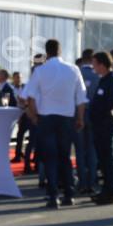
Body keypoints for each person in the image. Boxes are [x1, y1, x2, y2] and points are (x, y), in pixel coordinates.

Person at [21, 39, 87, 209]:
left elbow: (29, 97)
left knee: (49, 158)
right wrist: (80, 118)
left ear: (47, 52)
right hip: (66, 118)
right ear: (60, 50)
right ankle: (69, 194)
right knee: (65, 157)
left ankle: (52, 196)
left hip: (47, 118)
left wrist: (34, 117)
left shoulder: (40, 71)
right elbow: (81, 98)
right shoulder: (73, 69)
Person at [88, 51, 113, 205]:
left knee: (109, 160)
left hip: (106, 125)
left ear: (102, 64)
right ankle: (105, 191)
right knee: (103, 160)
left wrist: (97, 113)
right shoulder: (103, 80)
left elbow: (111, 102)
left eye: (95, 64)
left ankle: (110, 192)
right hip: (99, 125)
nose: (93, 67)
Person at [73, 50, 98, 194]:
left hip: (78, 114)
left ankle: (82, 181)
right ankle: (92, 181)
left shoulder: (76, 73)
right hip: (93, 115)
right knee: (92, 150)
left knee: (80, 150)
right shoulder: (98, 75)